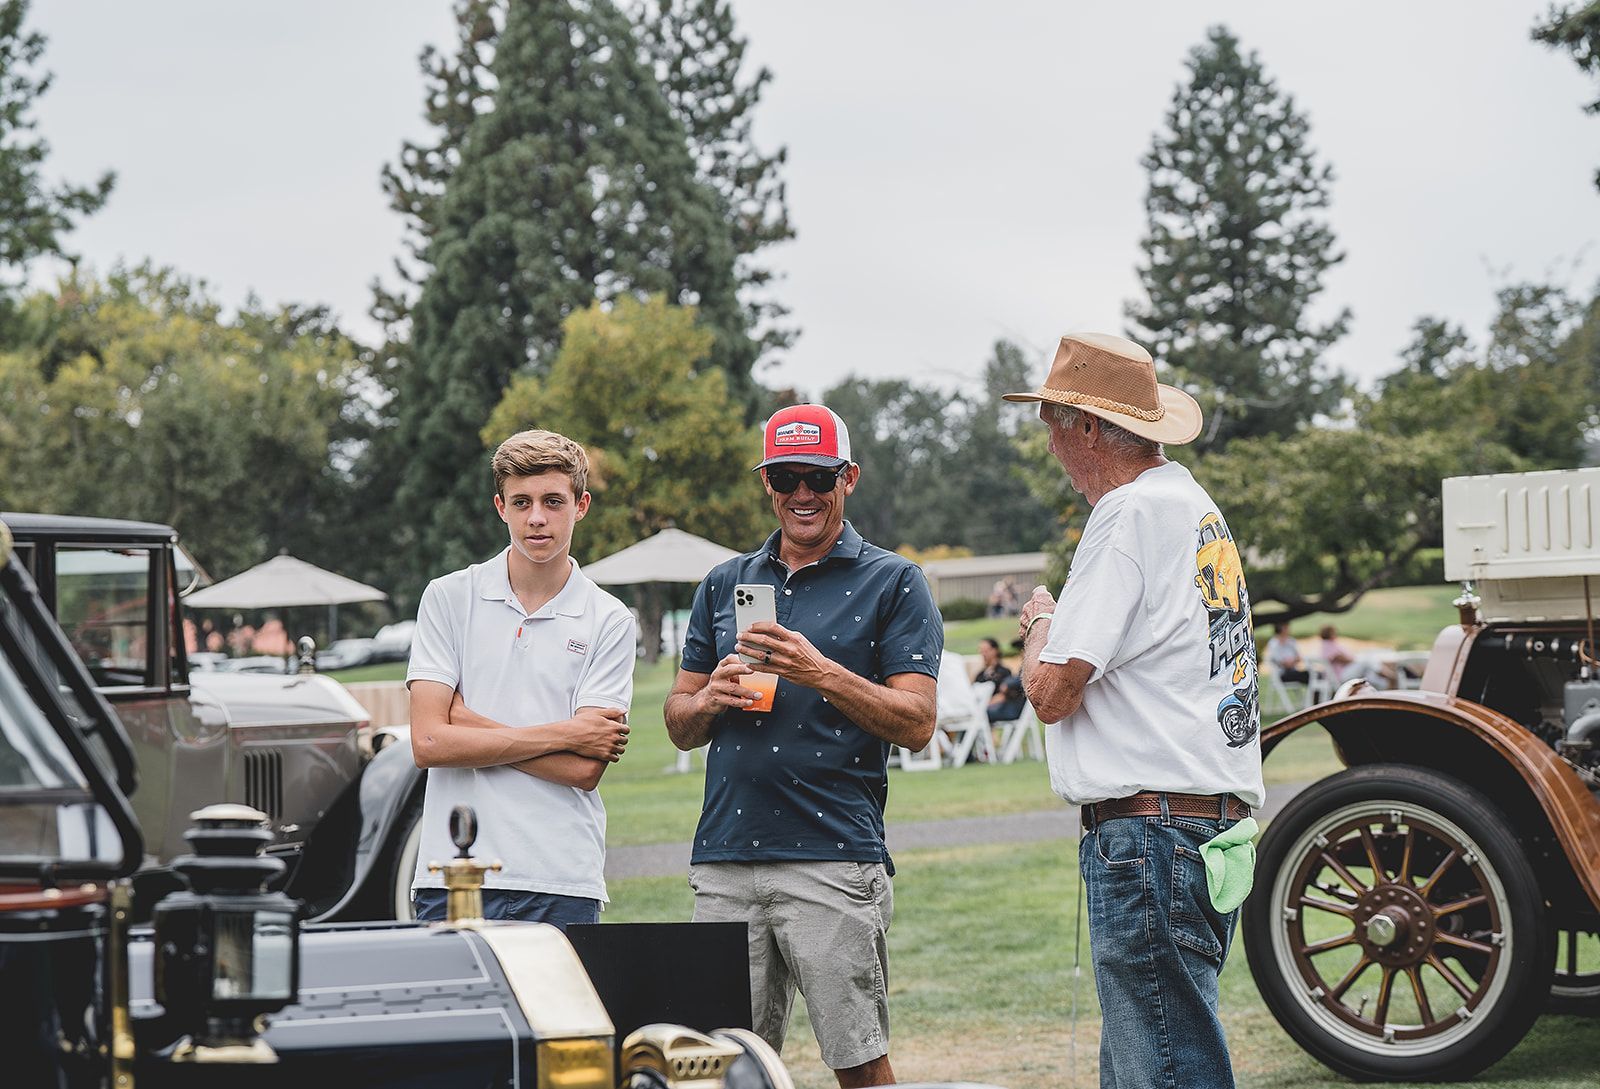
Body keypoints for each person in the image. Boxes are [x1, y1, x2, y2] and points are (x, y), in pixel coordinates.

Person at [1005, 332, 1265, 1089]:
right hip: (1202, 828)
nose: (1052, 445)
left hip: (1149, 837)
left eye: (1054, 424)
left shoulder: (1125, 515)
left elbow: (1052, 693)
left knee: (1164, 1072)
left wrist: (1040, 624)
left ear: (1088, 428)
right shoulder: (1191, 504)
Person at [664, 403, 942, 1089]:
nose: (802, 494)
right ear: (767, 484)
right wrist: (708, 700)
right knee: (717, 1071)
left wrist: (818, 671)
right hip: (725, 860)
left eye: (817, 476)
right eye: (785, 476)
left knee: (858, 1062)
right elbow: (676, 719)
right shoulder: (725, 583)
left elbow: (917, 721)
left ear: (849, 476)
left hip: (832, 860)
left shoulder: (894, 580)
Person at [406, 430, 635, 927]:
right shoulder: (448, 598)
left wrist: (464, 722)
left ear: (581, 505)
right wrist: (570, 732)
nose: (536, 517)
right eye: (522, 501)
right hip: (451, 874)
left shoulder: (610, 618)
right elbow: (427, 743)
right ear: (500, 507)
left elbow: (584, 771)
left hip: (560, 878)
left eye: (553, 501)